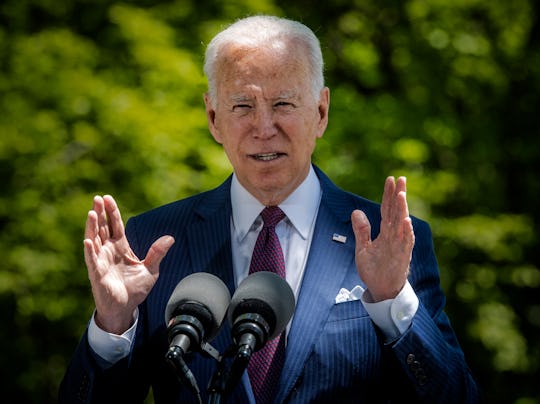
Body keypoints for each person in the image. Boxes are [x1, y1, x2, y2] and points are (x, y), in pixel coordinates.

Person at [59, 15, 480, 403]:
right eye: (242, 106)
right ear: (213, 117)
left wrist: (392, 303)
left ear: (320, 112)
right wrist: (112, 324)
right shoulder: (153, 243)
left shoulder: (388, 240)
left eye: (283, 104)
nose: (264, 128)